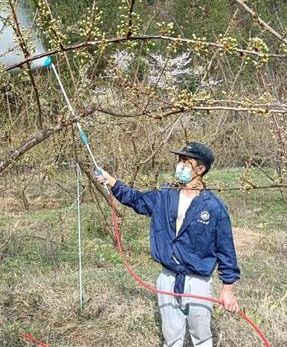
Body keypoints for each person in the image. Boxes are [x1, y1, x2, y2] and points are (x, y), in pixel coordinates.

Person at [95, 142, 240, 347]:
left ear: (200, 169)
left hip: (197, 281)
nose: (179, 165)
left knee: (202, 337)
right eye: (179, 160)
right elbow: (135, 199)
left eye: (185, 161)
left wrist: (228, 289)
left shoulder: (214, 207)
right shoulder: (164, 196)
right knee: (171, 337)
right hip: (167, 278)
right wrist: (111, 181)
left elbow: (226, 250)